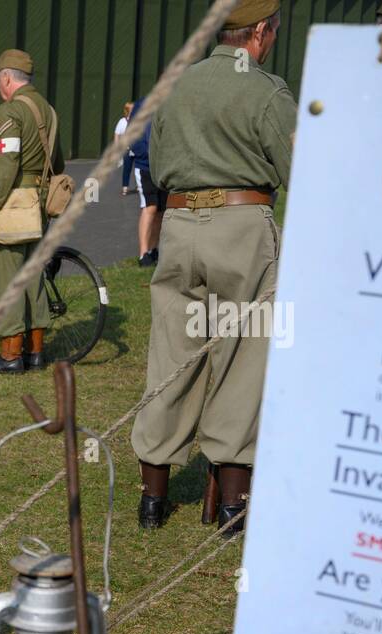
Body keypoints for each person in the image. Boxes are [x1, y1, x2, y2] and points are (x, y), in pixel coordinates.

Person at [131, 0, 296, 535]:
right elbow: (302, 169)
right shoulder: (267, 91)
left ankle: (152, 498)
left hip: (179, 228)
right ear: (263, 34)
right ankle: (232, 503)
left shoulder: (177, 84)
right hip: (241, 225)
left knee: (170, 356)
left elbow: (156, 164)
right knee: (241, 357)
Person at [0, 48, 65, 375]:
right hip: (39, 208)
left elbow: (4, 165)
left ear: (7, 78)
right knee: (33, 279)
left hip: (13, 206)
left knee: (7, 280)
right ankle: (36, 352)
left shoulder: (10, 112)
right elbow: (59, 163)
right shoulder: (48, 111)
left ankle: (11, 355)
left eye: (0, 81)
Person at [128, 95, 165, 267]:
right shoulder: (142, 105)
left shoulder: (170, 102)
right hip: (146, 166)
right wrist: (146, 154)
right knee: (149, 207)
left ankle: (153, 249)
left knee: (160, 210)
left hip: (164, 166)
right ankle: (143, 254)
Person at [116, 102, 135, 195]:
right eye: (132, 109)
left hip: (137, 148)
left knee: (139, 169)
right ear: (127, 110)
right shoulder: (122, 121)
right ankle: (125, 188)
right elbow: (117, 134)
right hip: (126, 149)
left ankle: (139, 187)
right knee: (127, 169)